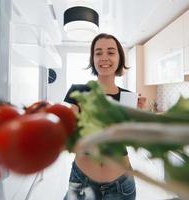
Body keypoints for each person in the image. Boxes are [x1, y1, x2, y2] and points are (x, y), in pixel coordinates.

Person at [63, 33, 141, 200]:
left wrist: (139, 117)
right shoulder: (79, 91)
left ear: (119, 58)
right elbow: (69, 136)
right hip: (82, 183)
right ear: (93, 59)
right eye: (98, 53)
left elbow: (130, 139)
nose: (104, 57)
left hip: (121, 186)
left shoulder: (129, 97)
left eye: (111, 52)